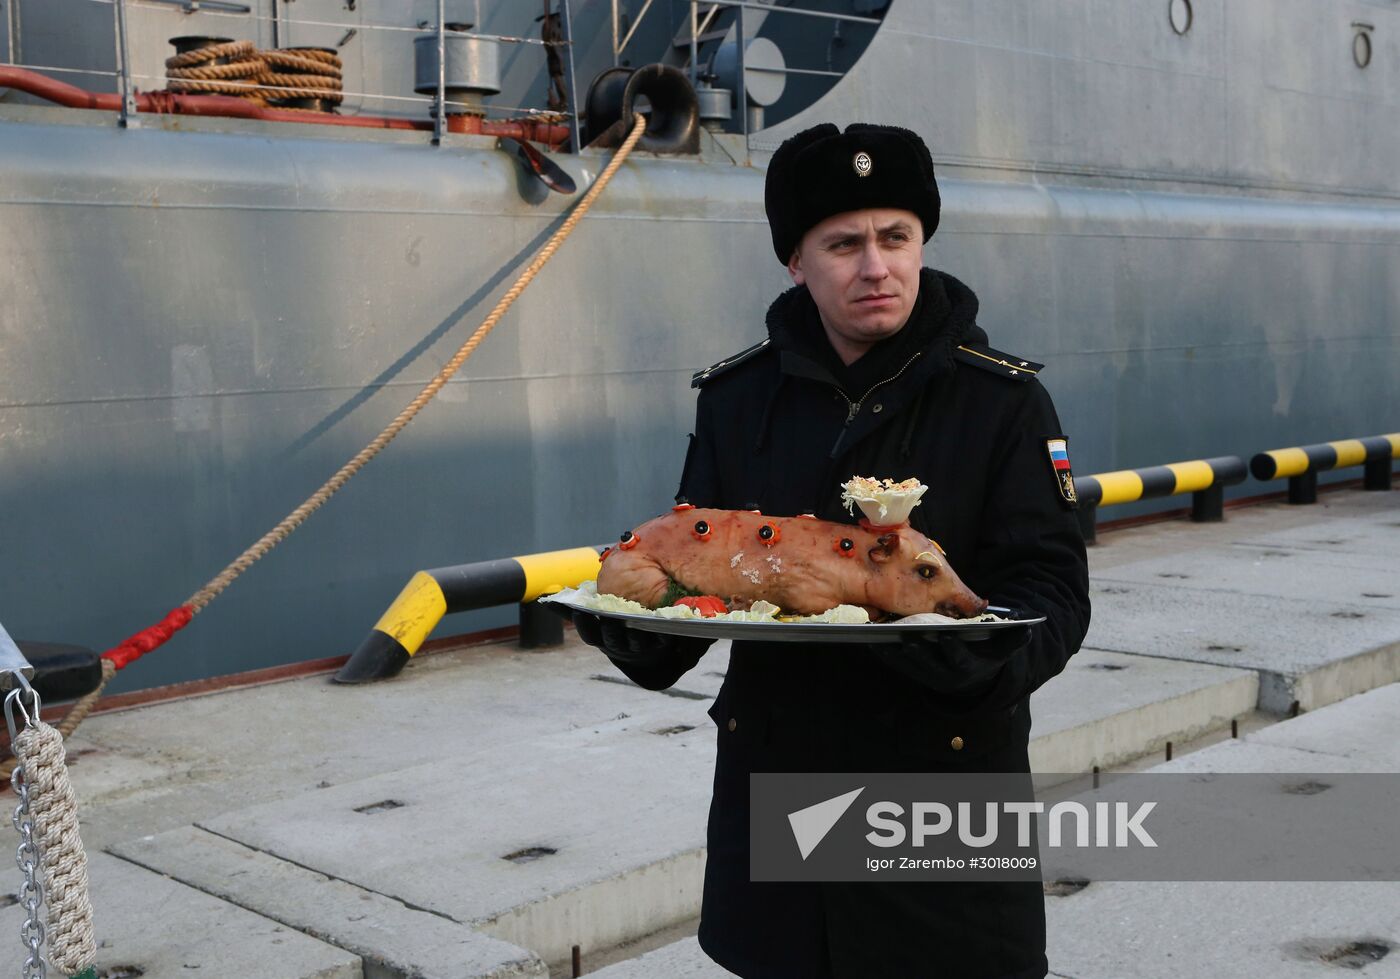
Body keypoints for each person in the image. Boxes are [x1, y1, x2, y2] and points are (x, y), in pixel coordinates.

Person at [571, 122, 1091, 979]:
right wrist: (636, 627)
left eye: (896, 237)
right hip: (780, 778)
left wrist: (982, 664)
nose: (875, 266)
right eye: (842, 243)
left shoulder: (1002, 403)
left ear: (923, 243)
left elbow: (1055, 591)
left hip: (942, 780)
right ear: (795, 261)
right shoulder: (738, 400)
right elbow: (703, 570)